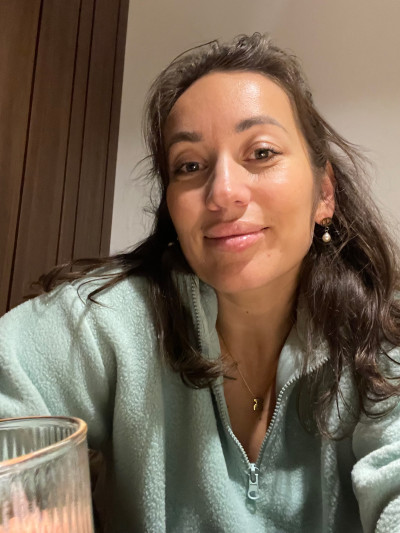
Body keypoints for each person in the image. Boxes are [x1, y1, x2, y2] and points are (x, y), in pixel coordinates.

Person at [1, 33, 400, 533]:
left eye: (261, 152)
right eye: (190, 165)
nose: (223, 193)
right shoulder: (111, 322)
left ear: (324, 193)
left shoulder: (381, 339)